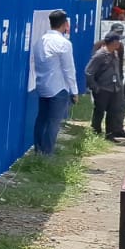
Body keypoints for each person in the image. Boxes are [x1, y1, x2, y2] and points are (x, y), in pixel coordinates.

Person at [32, 10, 79, 155]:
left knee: (41, 119)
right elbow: (68, 70)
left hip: (42, 85)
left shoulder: (40, 41)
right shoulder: (64, 43)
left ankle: (38, 150)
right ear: (65, 24)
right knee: (53, 122)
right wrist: (74, 91)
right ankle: (47, 154)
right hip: (58, 87)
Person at [86, 30, 125, 143]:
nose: (119, 43)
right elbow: (89, 72)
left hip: (114, 88)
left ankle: (110, 134)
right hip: (103, 89)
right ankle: (95, 132)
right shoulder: (100, 55)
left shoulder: (114, 53)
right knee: (99, 111)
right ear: (112, 42)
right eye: (118, 41)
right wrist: (95, 87)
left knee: (113, 112)